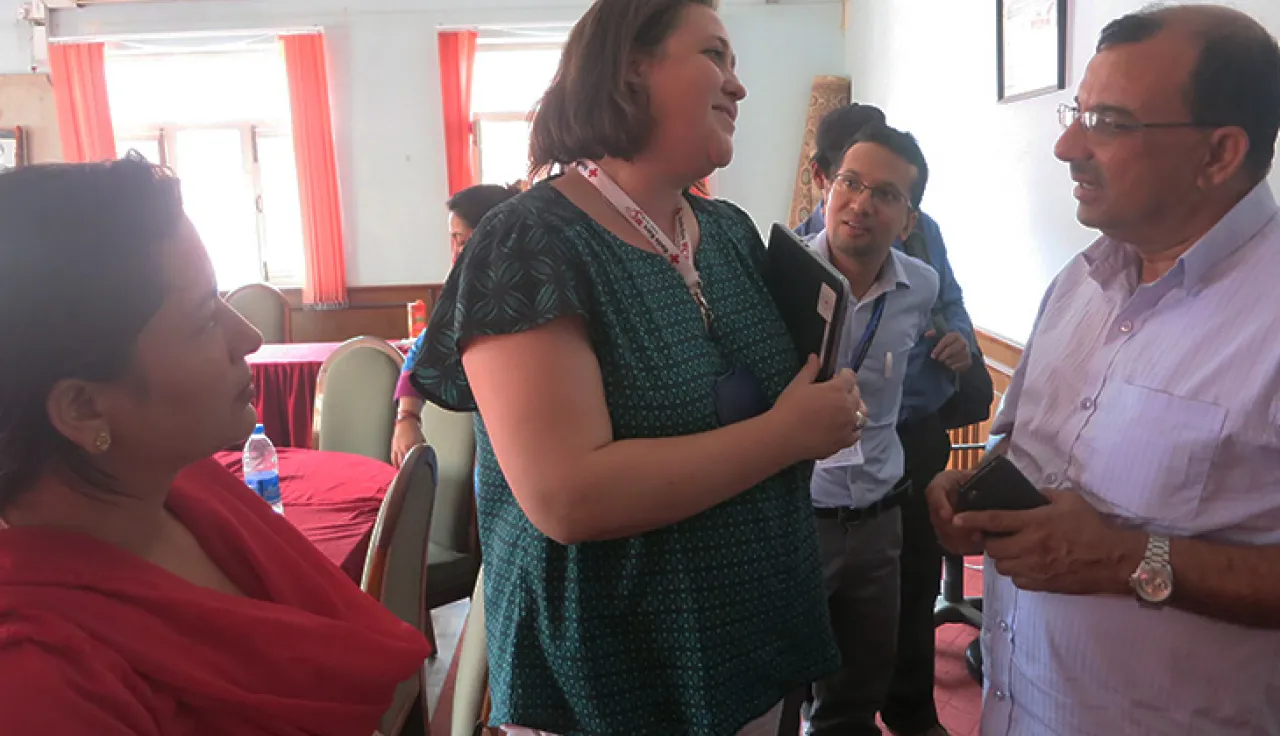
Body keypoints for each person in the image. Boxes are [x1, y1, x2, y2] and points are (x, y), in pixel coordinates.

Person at [408, 0, 864, 733]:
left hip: (755, 646)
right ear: (629, 69)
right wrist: (788, 434)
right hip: (612, 677)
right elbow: (568, 497)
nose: (738, 85)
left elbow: (779, 397)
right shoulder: (530, 242)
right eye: (714, 56)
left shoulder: (727, 231)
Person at [927, 5, 1280, 734]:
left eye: (1108, 123)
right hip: (1014, 708)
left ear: (1219, 154)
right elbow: (1017, 443)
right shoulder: (1078, 283)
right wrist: (976, 489)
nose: (1065, 146)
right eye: (1077, 113)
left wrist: (1127, 559)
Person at [0, 156, 431, 735]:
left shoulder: (189, 488)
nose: (248, 336)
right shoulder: (38, 683)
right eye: (205, 320)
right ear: (83, 408)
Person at [801, 104, 978, 736]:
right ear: (827, 184)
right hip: (801, 510)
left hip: (883, 507)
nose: (860, 203)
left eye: (885, 194)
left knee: (864, 680)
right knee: (782, 684)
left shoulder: (920, 285)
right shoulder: (784, 271)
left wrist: (959, 345)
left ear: (909, 219)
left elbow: (949, 319)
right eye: (850, 182)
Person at [392, 183, 521, 467]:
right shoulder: (467, 293)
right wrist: (407, 417)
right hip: (492, 452)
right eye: (454, 241)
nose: (455, 255)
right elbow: (424, 348)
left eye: (461, 241)